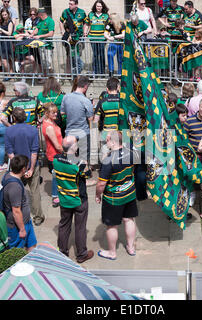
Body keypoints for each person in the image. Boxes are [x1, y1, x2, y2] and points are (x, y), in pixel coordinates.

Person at [96, 131, 138, 260]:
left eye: (107, 139)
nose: (106, 141)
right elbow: (133, 169)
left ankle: (112, 252)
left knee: (112, 225)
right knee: (129, 219)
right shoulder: (131, 153)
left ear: (113, 141)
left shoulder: (108, 160)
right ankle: (131, 248)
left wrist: (98, 195)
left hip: (114, 198)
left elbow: (101, 184)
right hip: (129, 192)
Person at [53, 135, 94, 263]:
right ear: (73, 147)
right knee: (80, 227)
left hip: (64, 198)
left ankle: (62, 252)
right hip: (78, 199)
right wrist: (86, 164)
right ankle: (81, 254)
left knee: (64, 225)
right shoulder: (79, 163)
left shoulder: (56, 159)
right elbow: (88, 175)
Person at [5, 107, 45, 226]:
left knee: (15, 192)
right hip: (31, 165)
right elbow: (34, 151)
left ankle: (17, 215)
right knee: (35, 192)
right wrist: (31, 168)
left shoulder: (9, 130)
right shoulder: (32, 129)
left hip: (17, 167)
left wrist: (17, 167)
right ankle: (38, 217)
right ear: (26, 117)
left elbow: (10, 152)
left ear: (14, 118)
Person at [61, 76, 95, 184]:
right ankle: (84, 180)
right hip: (83, 132)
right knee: (84, 156)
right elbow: (90, 118)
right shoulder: (85, 100)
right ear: (85, 86)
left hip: (70, 131)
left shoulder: (66, 97)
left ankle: (72, 178)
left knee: (71, 155)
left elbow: (62, 112)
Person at [2, 154, 37, 252]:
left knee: (32, 245)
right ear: (23, 169)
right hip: (17, 226)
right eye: (27, 166)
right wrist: (22, 229)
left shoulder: (8, 175)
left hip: (26, 221)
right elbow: (16, 211)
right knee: (17, 252)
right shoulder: (15, 187)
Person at [94, 77, 120, 161]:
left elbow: (96, 119)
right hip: (120, 133)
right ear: (118, 87)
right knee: (120, 158)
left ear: (107, 88)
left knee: (105, 157)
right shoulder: (123, 101)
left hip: (106, 133)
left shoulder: (103, 101)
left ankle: (105, 172)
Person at [42, 103, 63, 208]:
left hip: (54, 154)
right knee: (56, 176)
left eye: (56, 111)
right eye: (53, 112)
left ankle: (58, 195)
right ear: (47, 113)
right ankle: (55, 197)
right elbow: (57, 146)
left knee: (57, 176)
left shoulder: (49, 122)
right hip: (55, 155)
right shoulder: (49, 127)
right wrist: (67, 152)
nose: (56, 114)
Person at [59, 0, 86, 74]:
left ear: (76, 5)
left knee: (78, 55)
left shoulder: (82, 12)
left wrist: (84, 32)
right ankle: (69, 72)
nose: (69, 5)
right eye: (69, 4)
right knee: (69, 55)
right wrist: (62, 31)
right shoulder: (65, 12)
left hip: (79, 38)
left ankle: (77, 73)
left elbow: (85, 23)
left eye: (71, 4)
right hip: (69, 37)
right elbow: (60, 21)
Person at [84, 1, 109, 77]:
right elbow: (87, 24)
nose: (99, 8)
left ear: (103, 7)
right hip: (93, 38)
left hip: (102, 38)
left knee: (101, 55)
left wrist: (108, 35)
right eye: (97, 6)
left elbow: (108, 27)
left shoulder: (106, 15)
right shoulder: (90, 14)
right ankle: (95, 71)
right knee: (95, 55)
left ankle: (102, 72)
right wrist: (85, 32)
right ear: (95, 6)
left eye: (100, 6)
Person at [31, 8, 55, 78]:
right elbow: (37, 29)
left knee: (48, 64)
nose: (36, 16)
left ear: (41, 14)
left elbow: (51, 34)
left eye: (37, 14)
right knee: (43, 63)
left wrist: (39, 36)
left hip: (47, 46)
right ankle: (45, 78)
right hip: (40, 45)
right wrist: (32, 34)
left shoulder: (50, 21)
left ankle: (51, 78)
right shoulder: (40, 21)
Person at [104, 12, 125, 77]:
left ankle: (120, 73)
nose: (109, 20)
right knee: (109, 54)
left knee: (120, 58)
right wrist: (109, 38)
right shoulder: (109, 25)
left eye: (110, 19)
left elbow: (123, 35)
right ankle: (111, 71)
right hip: (113, 43)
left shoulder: (122, 24)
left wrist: (114, 37)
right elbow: (105, 33)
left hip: (120, 44)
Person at [0, 8, 14, 79]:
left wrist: (1, 30)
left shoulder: (10, 22)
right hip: (2, 42)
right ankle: (11, 72)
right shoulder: (1, 22)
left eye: (5, 14)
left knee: (5, 60)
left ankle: (8, 74)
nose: (4, 16)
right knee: (6, 59)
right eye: (3, 15)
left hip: (8, 42)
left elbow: (9, 33)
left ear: (8, 14)